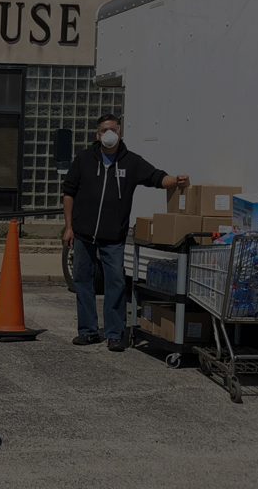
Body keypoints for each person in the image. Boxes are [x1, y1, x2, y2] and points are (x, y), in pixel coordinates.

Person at [62, 115, 189, 350]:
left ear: (120, 133)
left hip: (114, 237)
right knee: (83, 281)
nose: (108, 134)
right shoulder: (83, 160)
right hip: (82, 234)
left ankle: (114, 334)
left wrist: (176, 181)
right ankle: (88, 331)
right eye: (103, 130)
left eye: (112, 129)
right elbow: (68, 193)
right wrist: (69, 227)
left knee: (116, 283)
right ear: (97, 135)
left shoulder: (131, 162)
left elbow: (156, 177)